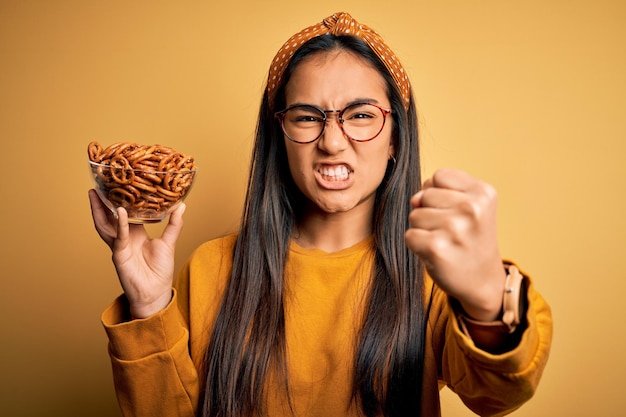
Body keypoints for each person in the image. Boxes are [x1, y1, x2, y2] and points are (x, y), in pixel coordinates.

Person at [88, 11, 552, 417]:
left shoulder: (430, 280)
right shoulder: (211, 269)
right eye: (307, 117)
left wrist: (489, 299)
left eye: (362, 115)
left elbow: (498, 396)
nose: (332, 142)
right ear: (280, 135)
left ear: (396, 138)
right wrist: (148, 305)